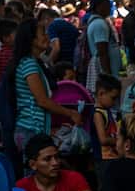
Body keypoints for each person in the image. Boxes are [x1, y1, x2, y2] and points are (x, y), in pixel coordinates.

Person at [9, 18, 82, 153]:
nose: (47, 37)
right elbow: (42, 100)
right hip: (30, 129)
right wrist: (70, 113)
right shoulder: (29, 64)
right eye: (43, 34)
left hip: (33, 128)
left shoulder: (33, 62)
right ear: (32, 40)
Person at [15, 133, 98, 191]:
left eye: (57, 157)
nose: (55, 163)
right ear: (33, 165)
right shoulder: (22, 187)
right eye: (47, 159)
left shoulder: (73, 178)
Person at [83, 0, 120, 92]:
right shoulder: (100, 24)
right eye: (108, 3)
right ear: (101, 5)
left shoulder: (96, 22)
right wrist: (108, 78)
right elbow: (102, 52)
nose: (110, 7)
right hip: (103, 69)